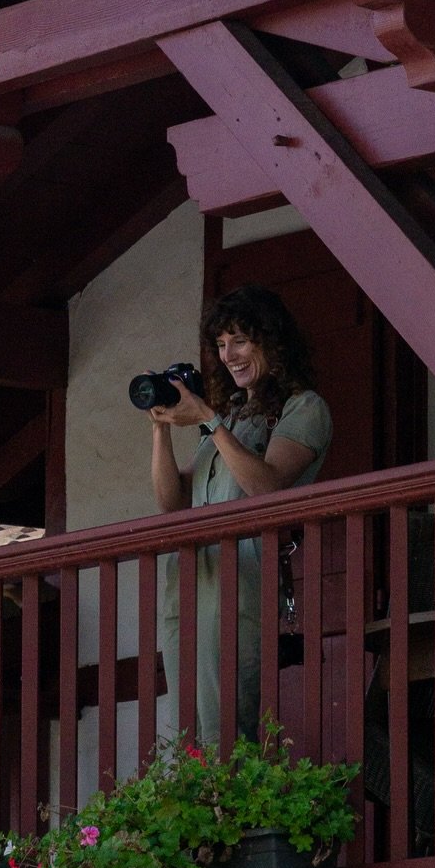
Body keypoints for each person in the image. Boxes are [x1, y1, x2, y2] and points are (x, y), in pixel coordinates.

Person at [149, 284, 332, 745]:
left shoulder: (304, 407)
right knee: (185, 732)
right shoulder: (229, 414)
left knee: (224, 725)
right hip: (189, 580)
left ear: (272, 342)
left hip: (241, 581)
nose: (228, 355)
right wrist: (161, 429)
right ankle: (198, 813)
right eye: (220, 344)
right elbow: (172, 502)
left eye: (240, 340)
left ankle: (227, 816)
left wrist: (208, 419)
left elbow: (264, 486)